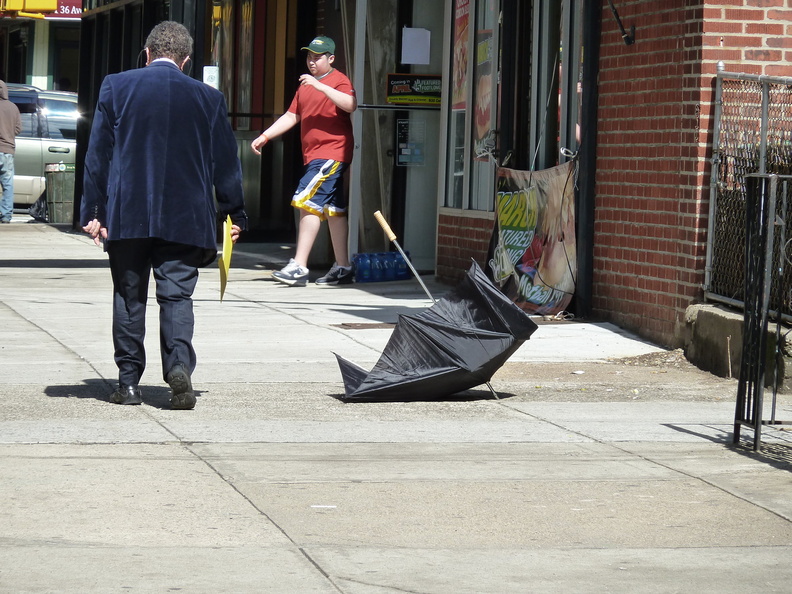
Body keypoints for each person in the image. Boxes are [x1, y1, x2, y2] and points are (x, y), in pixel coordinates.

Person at [81, 21, 247, 409]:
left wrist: (93, 210)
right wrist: (234, 213)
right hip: (186, 216)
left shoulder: (116, 86)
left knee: (129, 295)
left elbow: (97, 155)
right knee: (176, 297)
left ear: (147, 53)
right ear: (186, 61)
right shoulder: (209, 99)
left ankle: (128, 384)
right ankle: (178, 367)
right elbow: (226, 163)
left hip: (128, 213)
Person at [251, 35, 356, 287]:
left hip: (331, 153)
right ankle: (343, 267)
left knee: (306, 201)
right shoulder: (304, 86)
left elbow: (351, 104)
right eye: (309, 56)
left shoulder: (339, 81)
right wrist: (265, 136)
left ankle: (299, 265)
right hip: (315, 155)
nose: (311, 61)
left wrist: (320, 86)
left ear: (331, 59)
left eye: (317, 57)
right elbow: (291, 115)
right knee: (334, 211)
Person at [0, 80, 21, 224]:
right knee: (8, 184)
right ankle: (6, 215)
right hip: (8, 149)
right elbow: (18, 129)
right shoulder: (13, 108)